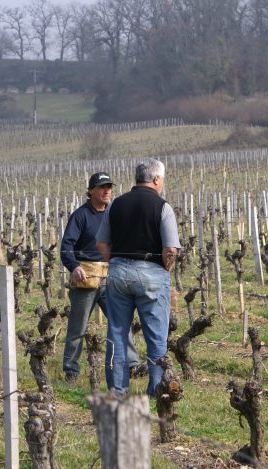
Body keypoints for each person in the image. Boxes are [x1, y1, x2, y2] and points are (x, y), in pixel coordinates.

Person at [96, 159, 180, 397]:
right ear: (156, 179)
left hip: (118, 272)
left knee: (117, 333)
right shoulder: (163, 207)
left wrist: (116, 261)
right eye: (162, 179)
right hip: (152, 273)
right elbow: (171, 249)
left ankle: (117, 389)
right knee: (156, 336)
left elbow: (101, 242)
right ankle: (156, 389)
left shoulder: (115, 205)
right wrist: (165, 268)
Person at [60, 172, 143, 384]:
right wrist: (74, 266)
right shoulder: (80, 216)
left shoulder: (114, 214)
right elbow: (66, 247)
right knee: (78, 327)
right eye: (101, 187)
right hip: (85, 278)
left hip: (111, 277)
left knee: (121, 322)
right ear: (90, 191)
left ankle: (132, 365)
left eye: (109, 187)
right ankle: (71, 370)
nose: (107, 191)